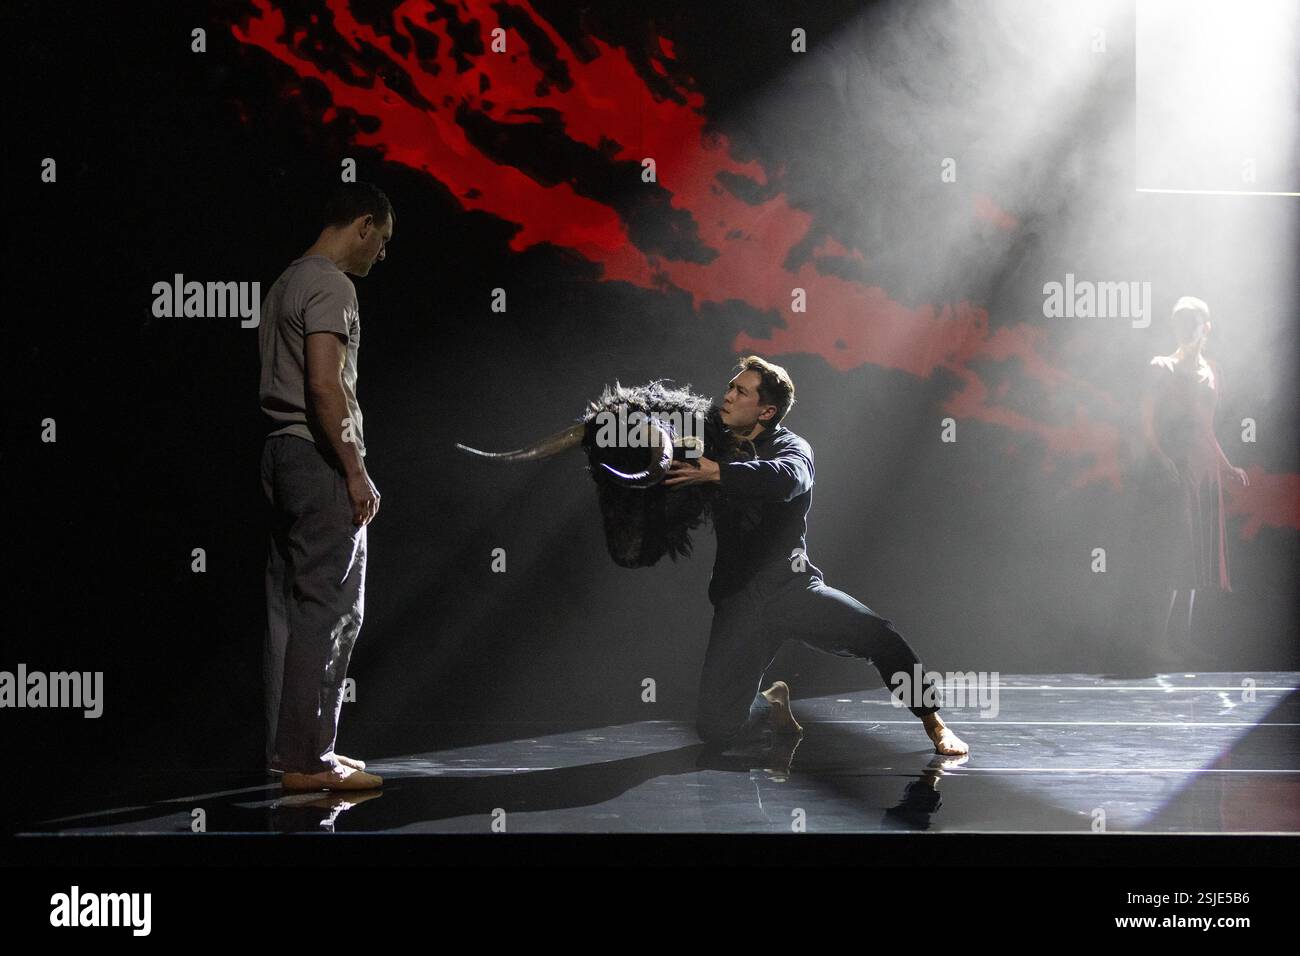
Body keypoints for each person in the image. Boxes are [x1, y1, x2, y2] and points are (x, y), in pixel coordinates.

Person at [664, 356, 968, 756]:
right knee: (716, 729)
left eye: (741, 391)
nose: (728, 395)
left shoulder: (792, 448)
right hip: (738, 601)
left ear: (767, 410)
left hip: (790, 589)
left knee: (879, 635)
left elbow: (787, 479)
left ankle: (934, 722)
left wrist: (718, 473)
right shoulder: (711, 444)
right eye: (730, 386)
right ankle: (771, 701)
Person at [257, 182, 392, 791]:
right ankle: (311, 760)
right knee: (331, 607)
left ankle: (290, 754)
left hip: (279, 454)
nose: (381, 256)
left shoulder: (285, 280)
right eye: (382, 241)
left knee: (289, 611)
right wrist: (355, 468)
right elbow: (323, 386)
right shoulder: (333, 284)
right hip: (317, 456)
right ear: (363, 225)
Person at [1139, 296, 1248, 664]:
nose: (1186, 328)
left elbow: (1208, 429)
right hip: (1176, 469)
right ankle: (1156, 644)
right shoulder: (1162, 366)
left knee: (1195, 558)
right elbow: (1145, 423)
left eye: (1192, 322)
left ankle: (1181, 641)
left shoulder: (1213, 371)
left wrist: (1227, 466)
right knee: (1175, 554)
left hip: (1205, 472)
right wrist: (1161, 458)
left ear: (1207, 327)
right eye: (1180, 322)